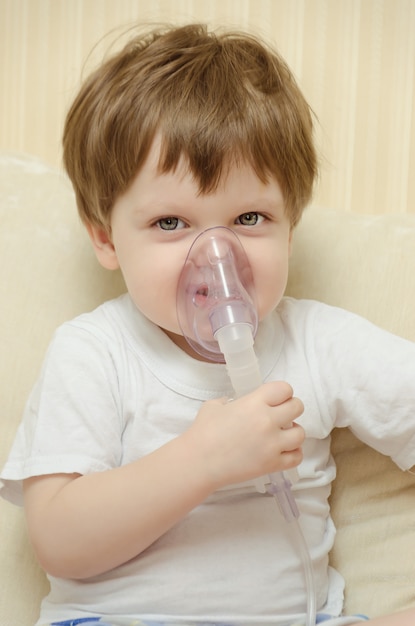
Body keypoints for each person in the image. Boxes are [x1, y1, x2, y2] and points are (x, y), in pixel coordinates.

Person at [1, 23, 415, 626]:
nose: (216, 255)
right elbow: (59, 542)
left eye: (249, 217)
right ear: (105, 238)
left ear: (290, 228)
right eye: (171, 223)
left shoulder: (321, 344)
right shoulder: (95, 352)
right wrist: (201, 461)